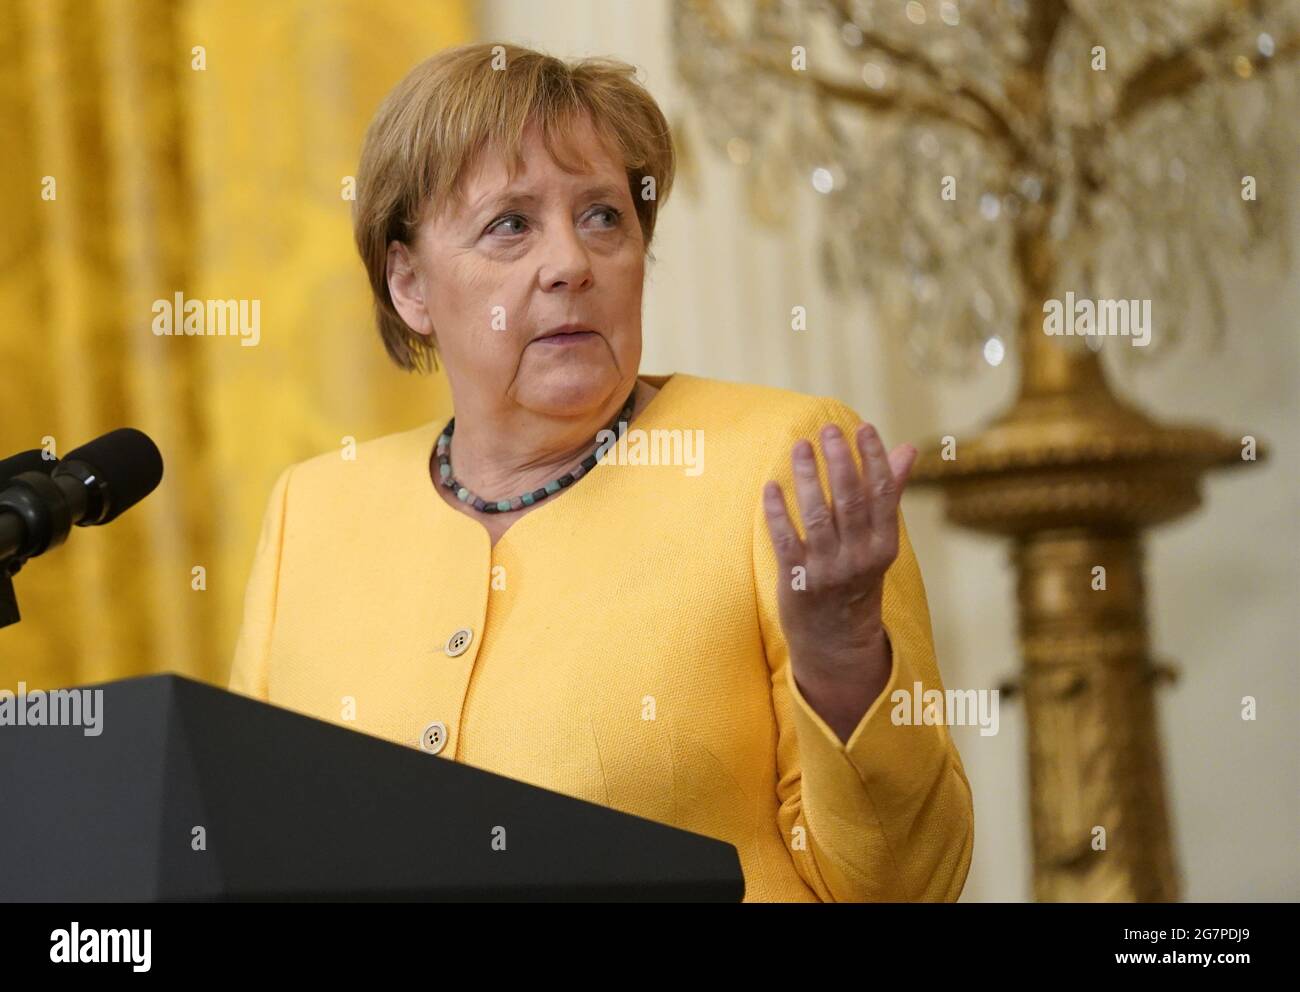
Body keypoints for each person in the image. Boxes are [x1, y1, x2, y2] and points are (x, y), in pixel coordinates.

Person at [229, 41, 973, 902]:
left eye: (603, 217)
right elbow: (254, 853)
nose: (571, 263)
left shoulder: (778, 463)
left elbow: (902, 888)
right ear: (410, 284)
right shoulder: (311, 514)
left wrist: (843, 663)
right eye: (511, 224)